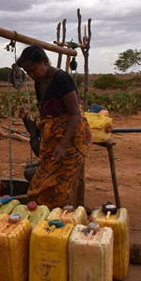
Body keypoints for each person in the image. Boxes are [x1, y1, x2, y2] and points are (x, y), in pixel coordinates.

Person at [16, 45, 91, 208]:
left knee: (56, 188)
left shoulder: (61, 79)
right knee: (39, 186)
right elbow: (46, 118)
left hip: (72, 141)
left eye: (33, 70)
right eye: (28, 72)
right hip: (55, 140)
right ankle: (52, 219)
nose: (31, 75)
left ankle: (60, 222)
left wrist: (63, 145)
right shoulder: (39, 83)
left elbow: (75, 114)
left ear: (44, 62)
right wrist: (28, 123)